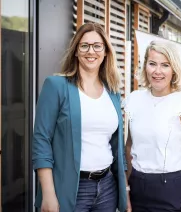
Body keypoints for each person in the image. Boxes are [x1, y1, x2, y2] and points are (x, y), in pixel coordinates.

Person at [32, 23, 131, 212]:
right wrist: (48, 193)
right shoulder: (56, 86)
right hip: (71, 189)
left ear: (105, 52)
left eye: (97, 46)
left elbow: (117, 147)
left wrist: (124, 190)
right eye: (84, 45)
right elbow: (41, 140)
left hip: (107, 187)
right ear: (76, 51)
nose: (90, 51)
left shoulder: (113, 93)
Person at [123, 40, 181, 212]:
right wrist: (126, 190)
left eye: (165, 65)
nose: (157, 71)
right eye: (152, 64)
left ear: (173, 69)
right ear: (145, 66)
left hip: (171, 190)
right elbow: (129, 147)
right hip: (137, 187)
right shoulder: (133, 100)